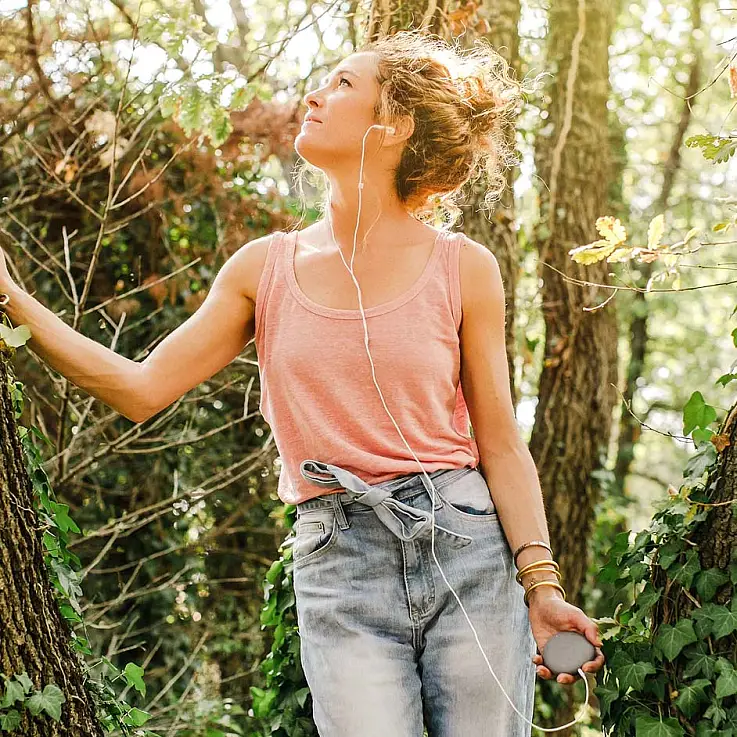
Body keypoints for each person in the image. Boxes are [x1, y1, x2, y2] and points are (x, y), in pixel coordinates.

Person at [0, 29, 604, 737]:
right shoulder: (263, 269)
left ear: (395, 124)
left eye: (343, 84)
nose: (313, 95)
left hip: (464, 544)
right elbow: (139, 388)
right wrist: (8, 295)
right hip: (338, 558)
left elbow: (500, 443)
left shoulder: (464, 267)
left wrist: (543, 587)